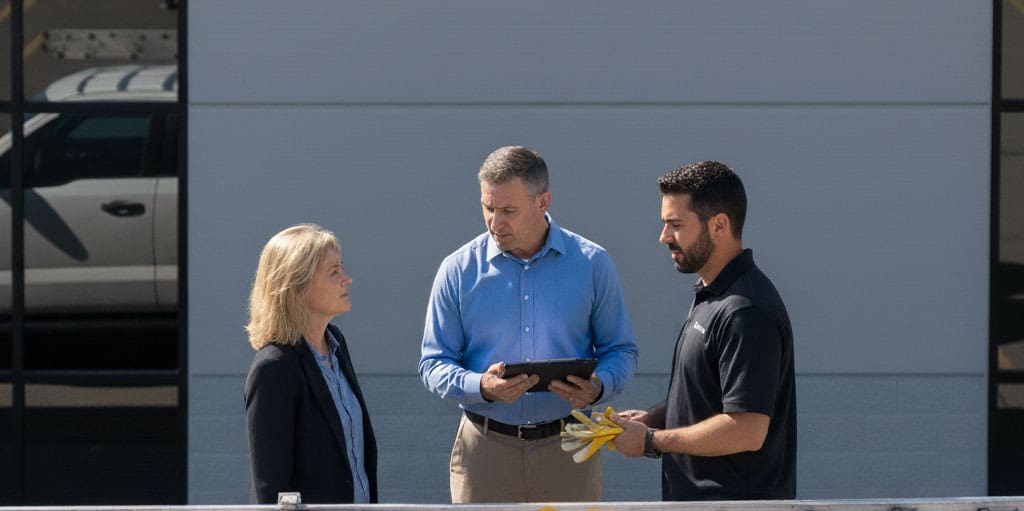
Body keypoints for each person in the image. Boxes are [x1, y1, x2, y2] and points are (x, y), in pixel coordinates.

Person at [419, 145, 638, 503]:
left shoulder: (592, 264)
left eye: (508, 210)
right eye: (487, 208)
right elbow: (432, 363)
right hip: (484, 450)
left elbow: (621, 350)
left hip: (570, 447)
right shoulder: (457, 270)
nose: (494, 222)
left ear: (543, 202)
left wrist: (598, 387)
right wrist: (482, 386)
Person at [608, 161, 797, 500]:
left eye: (675, 225)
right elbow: (706, 394)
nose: (664, 237)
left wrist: (651, 442)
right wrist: (653, 418)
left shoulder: (745, 311)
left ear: (719, 225)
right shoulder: (712, 297)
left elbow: (747, 429)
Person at [244, 224, 378, 504]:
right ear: (298, 287)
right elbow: (270, 488)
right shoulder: (273, 368)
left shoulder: (337, 344)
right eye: (334, 272)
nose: (347, 278)